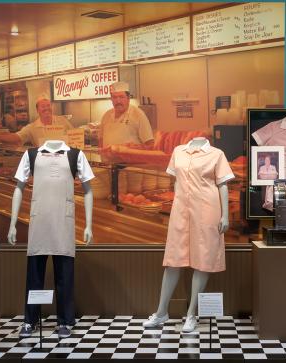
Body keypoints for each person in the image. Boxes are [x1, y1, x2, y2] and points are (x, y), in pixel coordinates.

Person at [143, 137, 234, 333]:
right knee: (173, 260)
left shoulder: (216, 154)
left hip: (208, 209)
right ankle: (161, 312)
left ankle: (191, 315)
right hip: (181, 210)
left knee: (203, 260)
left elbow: (223, 185)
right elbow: (176, 181)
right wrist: (177, 202)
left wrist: (225, 215)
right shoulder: (178, 151)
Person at [9, 139, 94, 339]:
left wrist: (89, 224)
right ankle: (30, 321)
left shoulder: (75, 155)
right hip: (39, 218)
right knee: (34, 274)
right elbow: (19, 187)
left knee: (65, 274)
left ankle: (65, 321)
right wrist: (12, 223)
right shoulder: (31, 154)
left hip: (64, 220)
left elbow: (88, 190)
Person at [0, 96, 74, 146]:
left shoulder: (63, 121)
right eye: (43, 106)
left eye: (48, 105)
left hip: (63, 160)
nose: (46, 108)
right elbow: (17, 137)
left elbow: (75, 136)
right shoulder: (32, 127)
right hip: (43, 162)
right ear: (37, 110)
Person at [98, 81, 154, 147]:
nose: (118, 101)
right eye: (114, 97)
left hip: (131, 157)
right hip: (107, 157)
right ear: (111, 99)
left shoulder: (138, 114)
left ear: (128, 98)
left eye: (121, 97)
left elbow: (150, 143)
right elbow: (101, 140)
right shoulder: (106, 115)